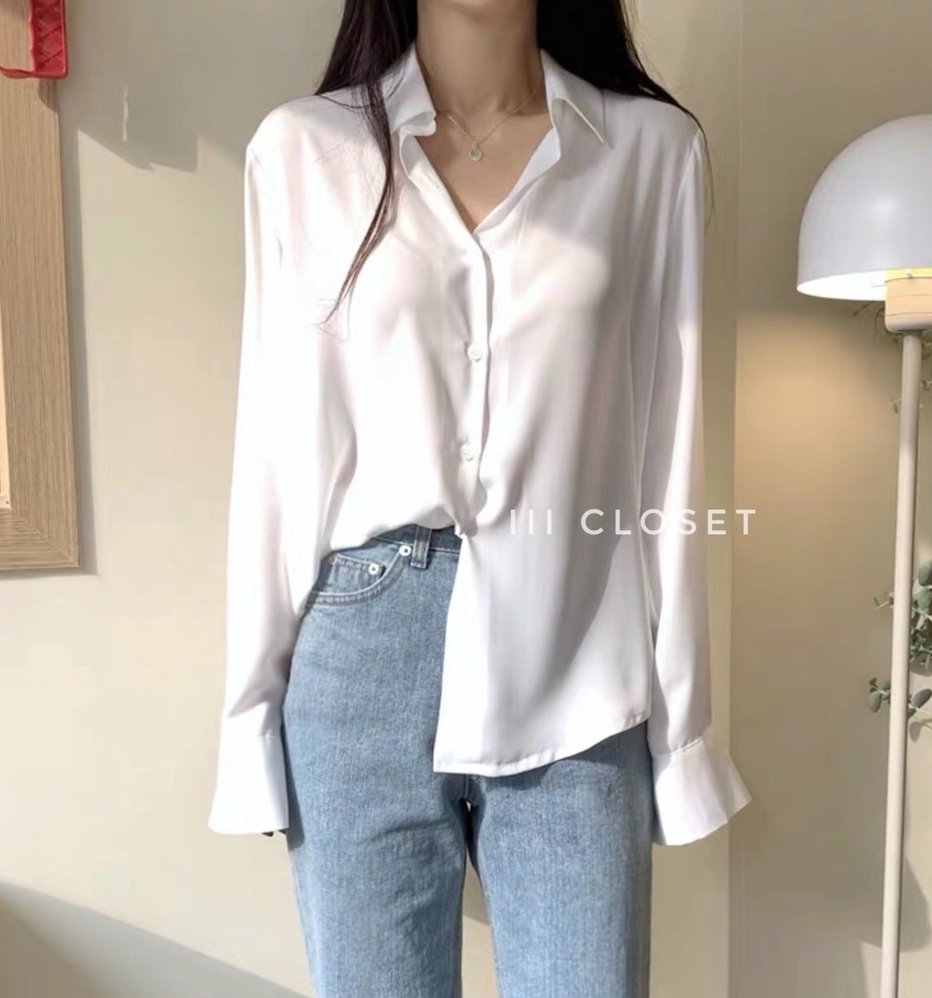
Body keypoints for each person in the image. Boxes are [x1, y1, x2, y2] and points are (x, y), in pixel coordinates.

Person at [208, 1, 752, 995]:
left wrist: (681, 732)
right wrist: (248, 718)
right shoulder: (304, 152)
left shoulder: (648, 151)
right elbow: (277, 450)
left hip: (578, 650)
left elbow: (665, 457)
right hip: (362, 650)